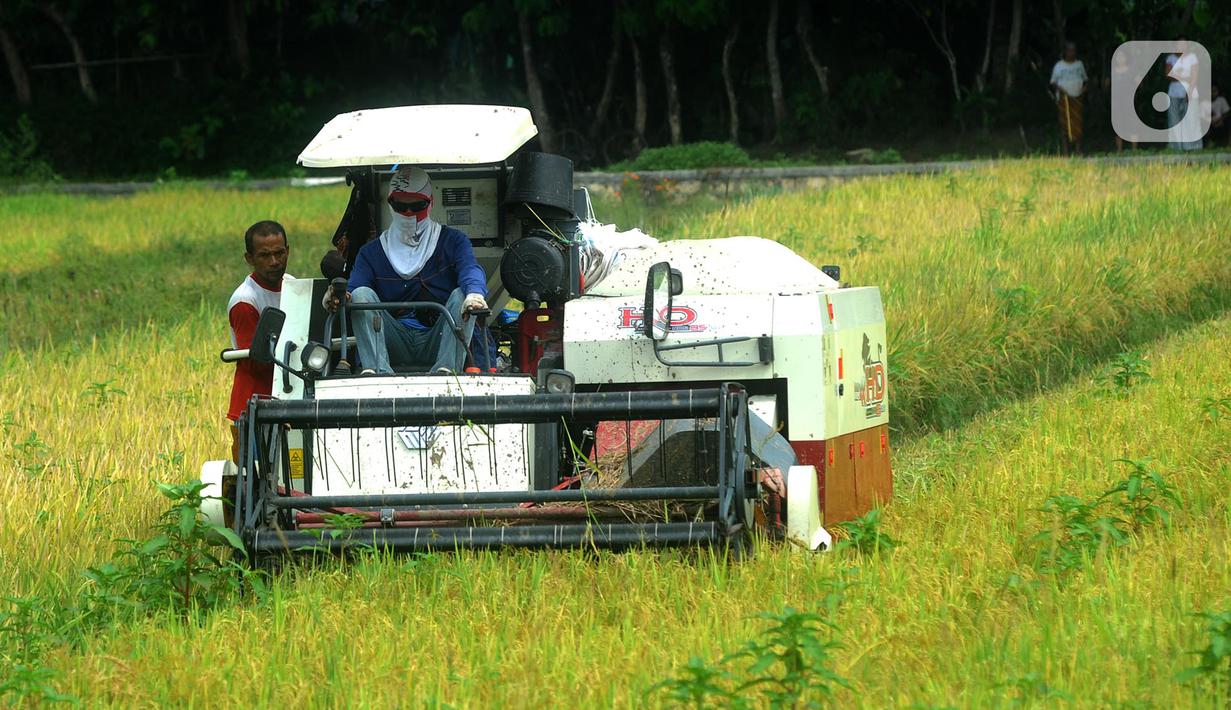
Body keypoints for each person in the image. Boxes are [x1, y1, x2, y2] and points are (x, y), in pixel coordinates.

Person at [324, 166, 488, 375]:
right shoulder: (371, 252)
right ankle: (378, 371)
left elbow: (470, 270)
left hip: (439, 337)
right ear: (390, 204)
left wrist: (474, 294)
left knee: (463, 294)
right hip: (393, 340)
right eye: (401, 206)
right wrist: (337, 296)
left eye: (417, 205)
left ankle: (447, 371)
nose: (409, 213)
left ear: (430, 203)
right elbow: (354, 290)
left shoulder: (454, 241)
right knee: (360, 295)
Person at [228, 220, 291, 461]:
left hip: (288, 398)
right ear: (249, 258)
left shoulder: (293, 286)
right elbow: (256, 361)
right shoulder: (245, 301)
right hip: (255, 405)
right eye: (265, 255)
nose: (274, 261)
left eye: (279, 253)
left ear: (288, 251)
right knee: (257, 476)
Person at [1049, 41, 1087, 155]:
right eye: (1069, 50)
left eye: (1073, 50)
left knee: (1077, 123)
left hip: (1077, 97)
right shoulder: (1059, 65)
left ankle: (1078, 150)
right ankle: (1066, 152)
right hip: (1064, 98)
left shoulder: (1079, 64)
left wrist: (1083, 90)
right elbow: (1053, 82)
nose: (1071, 53)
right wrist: (1061, 90)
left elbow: (1085, 80)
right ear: (1065, 52)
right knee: (1065, 124)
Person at [1165, 37, 1202, 150]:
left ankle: (1193, 147)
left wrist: (1189, 91)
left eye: (1184, 44)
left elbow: (1194, 77)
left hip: (1191, 93)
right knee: (1174, 121)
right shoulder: (1170, 58)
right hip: (1173, 94)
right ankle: (1175, 147)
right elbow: (1168, 75)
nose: (1182, 46)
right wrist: (1185, 77)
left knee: (1191, 120)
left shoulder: (1192, 57)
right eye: (1179, 44)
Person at [1209, 83, 1229, 148]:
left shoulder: (1221, 100)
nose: (1213, 93)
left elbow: (1227, 113)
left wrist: (1220, 120)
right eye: (1211, 91)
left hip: (1221, 122)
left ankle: (1225, 144)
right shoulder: (1206, 101)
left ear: (1218, 91)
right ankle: (1210, 143)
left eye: (1214, 91)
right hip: (1210, 124)